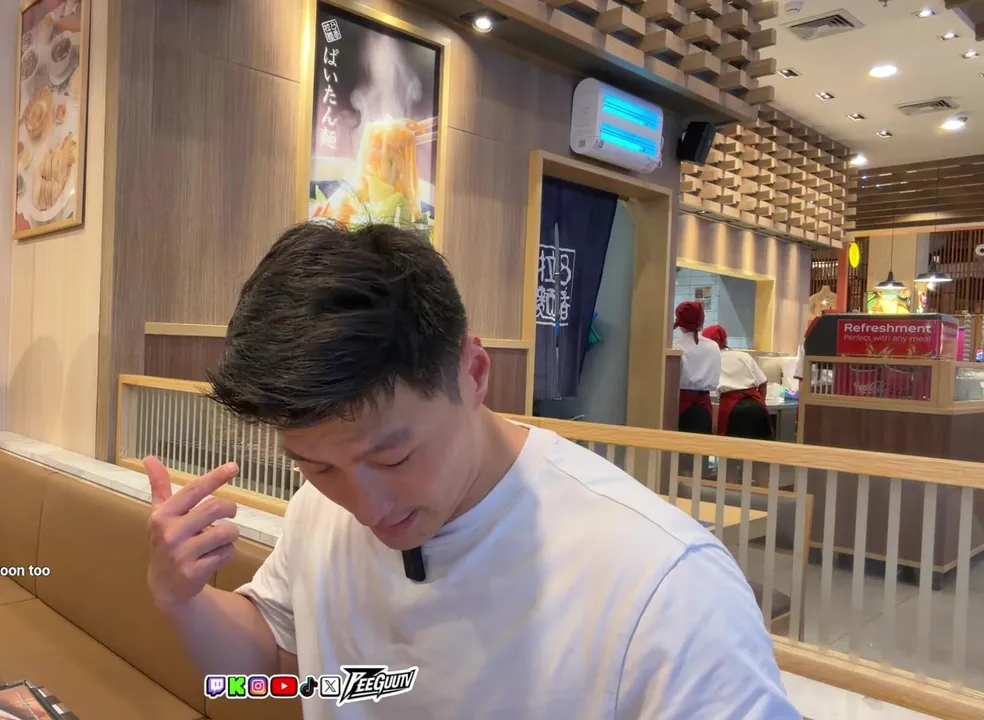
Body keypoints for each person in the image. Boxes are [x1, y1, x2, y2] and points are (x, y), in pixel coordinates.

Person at [144, 222, 798, 719]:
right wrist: (182, 600)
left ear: (474, 373)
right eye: (317, 467)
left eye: (393, 457)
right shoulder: (322, 510)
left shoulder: (662, 584)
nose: (366, 508)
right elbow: (271, 668)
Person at [702, 325, 773, 439]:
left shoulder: (711, 360)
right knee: (761, 446)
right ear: (725, 340)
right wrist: (761, 402)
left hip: (732, 409)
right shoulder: (743, 355)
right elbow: (763, 383)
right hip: (757, 406)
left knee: (733, 448)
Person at [672, 300, 721, 434]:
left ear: (680, 324)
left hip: (682, 405)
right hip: (705, 406)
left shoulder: (676, 346)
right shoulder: (714, 346)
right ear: (701, 322)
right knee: (702, 445)